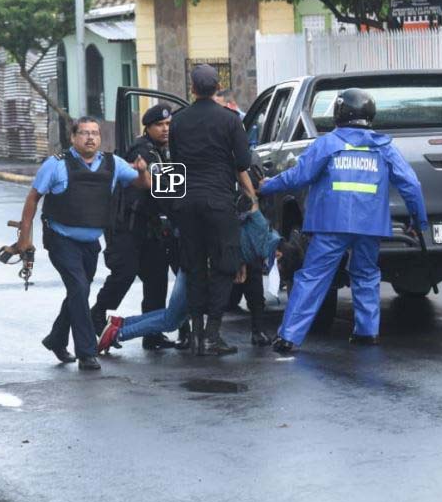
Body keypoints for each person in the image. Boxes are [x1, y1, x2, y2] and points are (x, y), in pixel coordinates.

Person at [259, 88, 428, 352]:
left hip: (330, 224)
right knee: (366, 274)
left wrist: (266, 186)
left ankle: (289, 336)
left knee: (313, 277)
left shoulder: (328, 144)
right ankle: (366, 332)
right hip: (370, 225)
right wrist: (419, 221)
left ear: (339, 112)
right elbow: (411, 184)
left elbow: (299, 177)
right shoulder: (383, 147)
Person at [12, 117, 151, 371]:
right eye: (84, 133)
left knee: (79, 291)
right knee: (78, 287)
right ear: (73, 137)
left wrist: (142, 170)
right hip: (61, 239)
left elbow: (143, 184)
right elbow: (33, 197)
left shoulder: (113, 163)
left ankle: (56, 338)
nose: (90, 138)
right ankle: (87, 352)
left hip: (91, 243)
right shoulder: (56, 165)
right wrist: (25, 237)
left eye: (95, 133)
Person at [169, 64, 258, 356]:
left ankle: (195, 334)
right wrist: (251, 196)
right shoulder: (230, 120)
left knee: (194, 266)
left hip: (186, 203)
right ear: (218, 87)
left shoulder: (178, 120)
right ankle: (212, 334)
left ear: (192, 89)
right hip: (219, 203)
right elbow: (243, 162)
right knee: (224, 266)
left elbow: (175, 161)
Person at [98, 228, 303, 353]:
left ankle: (121, 323)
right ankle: (118, 334)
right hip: (195, 267)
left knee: (175, 316)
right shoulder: (262, 241)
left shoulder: (263, 235)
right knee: (171, 320)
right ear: (278, 255)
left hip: (192, 261)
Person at [90, 103, 182, 351]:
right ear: (148, 127)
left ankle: (152, 335)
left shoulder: (166, 150)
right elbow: (158, 186)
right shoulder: (142, 150)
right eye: (159, 125)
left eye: (168, 125)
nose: (165, 129)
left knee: (156, 279)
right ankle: (97, 315)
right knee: (124, 274)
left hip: (150, 227)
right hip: (127, 226)